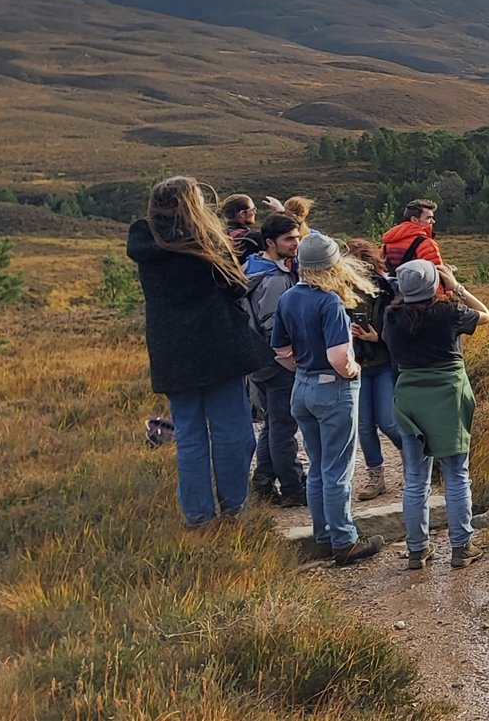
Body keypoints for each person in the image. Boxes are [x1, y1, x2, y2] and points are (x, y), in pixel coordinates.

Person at [127, 177, 269, 527]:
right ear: (193, 204)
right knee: (233, 432)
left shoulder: (146, 241)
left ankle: (198, 516)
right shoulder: (204, 239)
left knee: (189, 436)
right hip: (218, 345)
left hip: (171, 350)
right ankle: (233, 509)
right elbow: (237, 287)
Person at [273, 231, 385, 565]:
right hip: (332, 387)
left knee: (319, 468)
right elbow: (339, 357)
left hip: (303, 386)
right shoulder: (330, 301)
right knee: (338, 470)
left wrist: (303, 369)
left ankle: (323, 535)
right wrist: (353, 371)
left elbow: (280, 351)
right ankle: (344, 541)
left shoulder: (289, 297)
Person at [385, 259, 489, 570]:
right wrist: (456, 286)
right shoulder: (450, 312)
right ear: (435, 284)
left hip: (410, 397)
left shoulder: (392, 317)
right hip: (448, 393)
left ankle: (417, 550)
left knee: (416, 478)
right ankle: (461, 547)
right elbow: (486, 315)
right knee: (456, 473)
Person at [244, 212, 305, 506]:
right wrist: (290, 357)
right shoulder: (274, 279)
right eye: (289, 239)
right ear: (271, 242)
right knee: (284, 428)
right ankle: (293, 488)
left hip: (260, 362)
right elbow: (273, 324)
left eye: (297, 237)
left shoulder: (254, 267)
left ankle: (264, 482)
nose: (296, 243)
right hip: (278, 363)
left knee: (273, 424)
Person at [345, 238, 404, 501]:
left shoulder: (388, 291)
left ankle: (415, 461)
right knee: (364, 425)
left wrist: (375, 338)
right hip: (355, 365)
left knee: (388, 421)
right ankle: (375, 476)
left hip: (381, 364)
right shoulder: (339, 292)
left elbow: (399, 332)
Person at [382, 199, 444, 271]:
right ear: (414, 220)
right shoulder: (426, 244)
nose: (433, 221)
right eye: (428, 218)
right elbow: (437, 275)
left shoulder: (387, 244)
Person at [221, 193, 264, 258]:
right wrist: (281, 212)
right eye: (253, 210)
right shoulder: (253, 238)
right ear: (242, 214)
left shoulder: (219, 235)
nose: (255, 212)